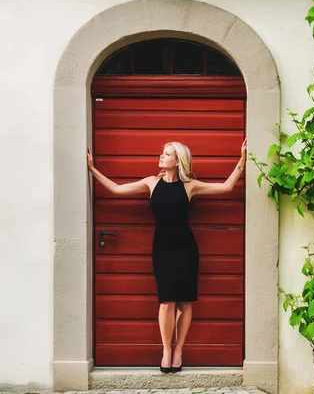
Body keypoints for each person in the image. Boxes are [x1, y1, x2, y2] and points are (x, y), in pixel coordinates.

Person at [87, 139, 247, 373]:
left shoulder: (189, 186)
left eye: (167, 153)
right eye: (162, 153)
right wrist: (92, 168)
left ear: (177, 160)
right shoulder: (152, 183)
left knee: (185, 301)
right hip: (162, 248)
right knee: (166, 302)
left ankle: (179, 350)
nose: (162, 156)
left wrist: (242, 161)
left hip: (186, 249)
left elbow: (225, 187)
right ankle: (166, 350)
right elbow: (116, 189)